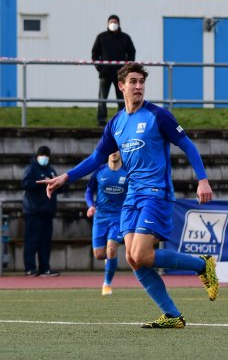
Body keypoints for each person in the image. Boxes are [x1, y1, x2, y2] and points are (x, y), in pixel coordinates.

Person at [37, 62, 218, 329]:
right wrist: (66, 177)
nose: (138, 86)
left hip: (155, 194)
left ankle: (202, 265)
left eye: (142, 81)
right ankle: (172, 315)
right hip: (131, 197)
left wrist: (202, 179)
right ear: (121, 86)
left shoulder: (158, 116)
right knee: (133, 258)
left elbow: (187, 144)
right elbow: (97, 157)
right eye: (133, 81)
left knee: (142, 254)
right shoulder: (116, 124)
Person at [85, 151, 128, 296]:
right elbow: (89, 191)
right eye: (111, 150)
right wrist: (90, 205)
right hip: (100, 217)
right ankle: (109, 260)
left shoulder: (127, 172)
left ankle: (107, 284)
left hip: (119, 217)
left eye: (117, 150)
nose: (114, 153)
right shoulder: (100, 171)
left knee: (111, 248)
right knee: (99, 254)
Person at [21, 146, 61, 277]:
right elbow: (25, 184)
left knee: (45, 242)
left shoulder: (50, 169)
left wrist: (58, 182)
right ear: (37, 156)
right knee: (31, 241)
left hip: (47, 212)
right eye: (42, 155)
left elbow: (60, 188)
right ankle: (30, 268)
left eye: (46, 155)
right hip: (33, 211)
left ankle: (45, 268)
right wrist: (42, 183)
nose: (45, 158)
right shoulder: (31, 169)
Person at [91, 14, 136, 127]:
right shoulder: (101, 37)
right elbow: (95, 53)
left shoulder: (125, 37)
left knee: (122, 98)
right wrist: (100, 68)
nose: (113, 24)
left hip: (121, 75)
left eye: (115, 21)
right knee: (102, 98)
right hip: (105, 74)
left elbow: (131, 52)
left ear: (119, 23)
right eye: (111, 21)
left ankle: (122, 119)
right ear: (107, 23)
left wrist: (127, 69)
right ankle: (101, 119)